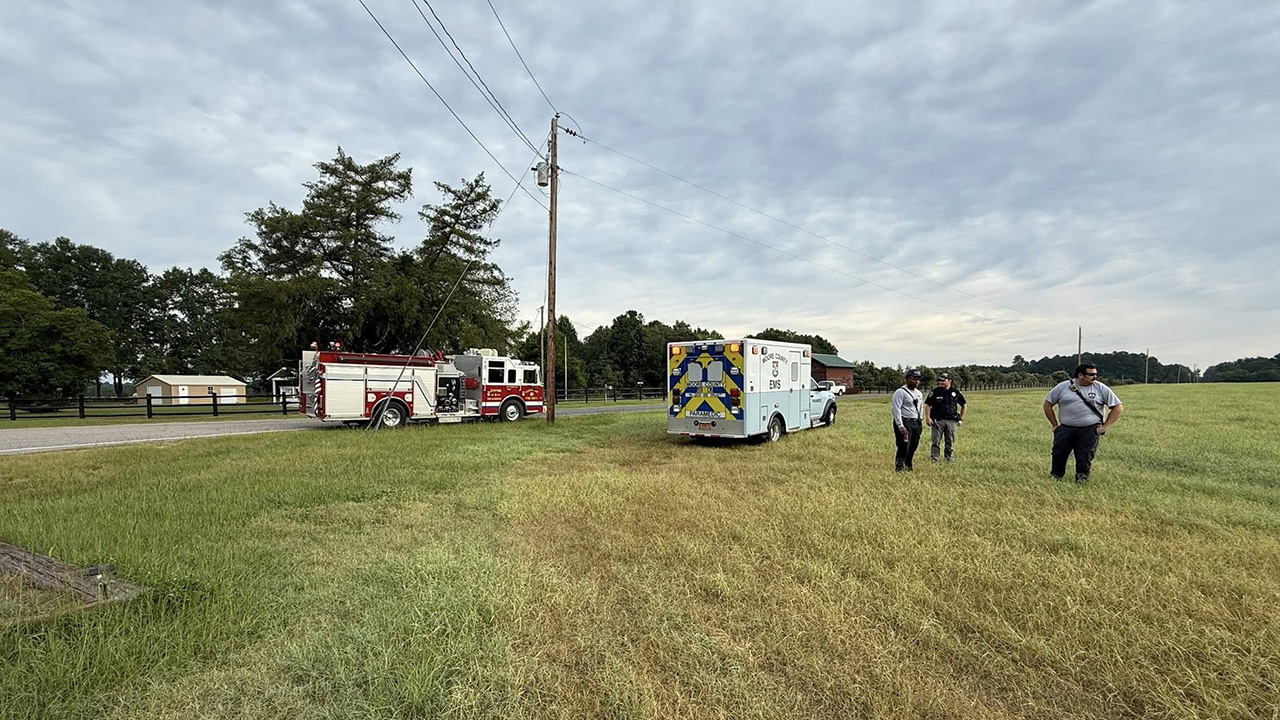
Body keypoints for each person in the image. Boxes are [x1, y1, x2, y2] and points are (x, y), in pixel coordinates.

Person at [1043, 364, 1124, 484]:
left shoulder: (1100, 388)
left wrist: (1105, 427)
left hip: (1090, 430)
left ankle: (1081, 480)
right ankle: (1056, 478)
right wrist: (1055, 425)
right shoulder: (1063, 387)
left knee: (1085, 456)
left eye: (1096, 374)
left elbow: (1118, 407)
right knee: (1058, 454)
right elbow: (1047, 404)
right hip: (1065, 429)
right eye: (1091, 374)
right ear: (1080, 375)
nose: (1095, 377)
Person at [924, 372, 966, 462]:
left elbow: (964, 405)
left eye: (943, 380)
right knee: (935, 441)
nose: (941, 382)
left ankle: (949, 459)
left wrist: (961, 419)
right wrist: (928, 417)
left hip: (951, 421)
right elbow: (928, 405)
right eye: (939, 380)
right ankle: (934, 459)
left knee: (950, 441)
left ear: (950, 381)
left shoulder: (955, 392)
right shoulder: (935, 392)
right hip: (937, 420)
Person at [891, 368, 925, 472]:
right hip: (905, 421)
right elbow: (896, 409)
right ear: (907, 379)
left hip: (916, 422)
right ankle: (899, 466)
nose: (916, 381)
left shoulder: (919, 393)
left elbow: (921, 407)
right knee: (904, 446)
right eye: (914, 379)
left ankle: (909, 464)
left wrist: (921, 420)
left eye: (918, 379)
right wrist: (900, 425)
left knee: (914, 445)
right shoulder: (900, 392)